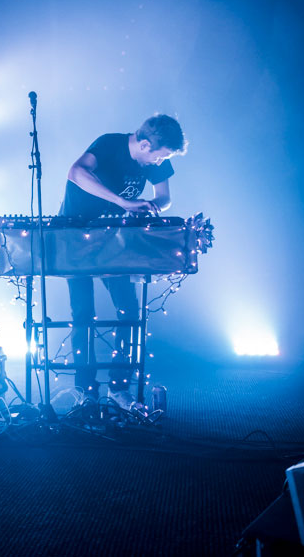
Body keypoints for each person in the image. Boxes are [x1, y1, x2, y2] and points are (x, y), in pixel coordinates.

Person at [60, 114, 187, 401]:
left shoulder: (155, 156)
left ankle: (119, 387)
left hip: (114, 240)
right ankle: (85, 390)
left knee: (129, 311)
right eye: (158, 157)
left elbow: (164, 196)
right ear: (144, 144)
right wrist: (122, 201)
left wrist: (152, 206)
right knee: (82, 315)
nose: (159, 163)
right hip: (75, 236)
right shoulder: (108, 144)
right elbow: (76, 172)